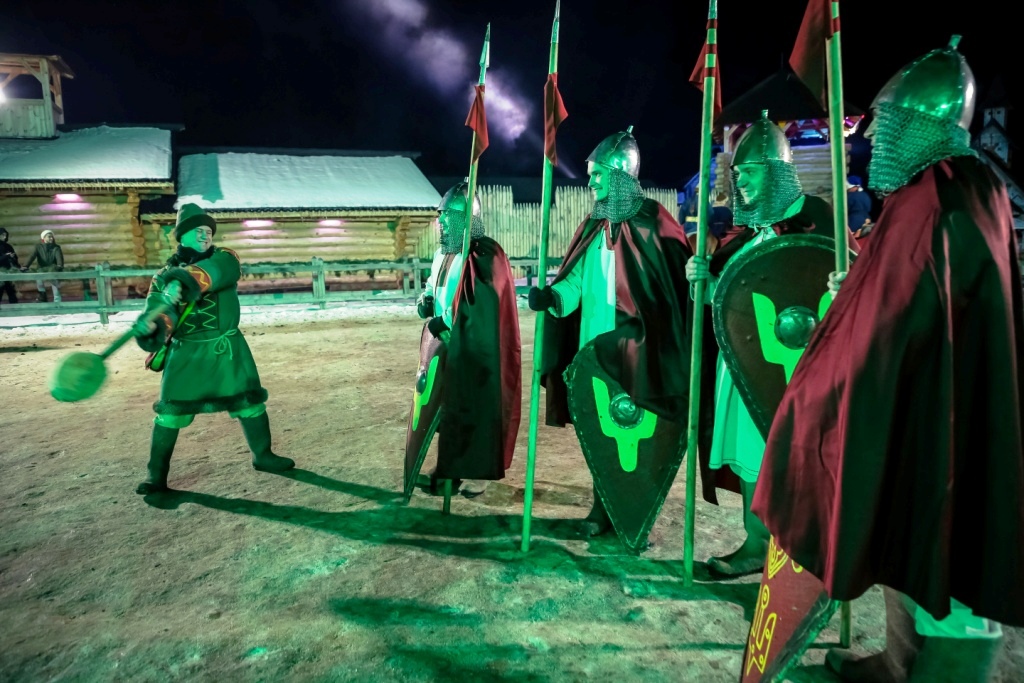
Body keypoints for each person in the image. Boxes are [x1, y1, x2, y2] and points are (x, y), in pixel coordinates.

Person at [752, 38, 1023, 682]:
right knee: (908, 530)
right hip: (928, 396)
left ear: (922, 124)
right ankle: (899, 662)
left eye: (888, 124)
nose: (872, 137)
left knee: (943, 550)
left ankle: (942, 671)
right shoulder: (949, 189)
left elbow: (893, 324)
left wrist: (821, 386)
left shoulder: (939, 199)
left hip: (941, 411)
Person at [685, 109, 855, 578]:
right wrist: (702, 282)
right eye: (736, 173)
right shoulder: (743, 238)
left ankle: (802, 561)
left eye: (750, 171)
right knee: (751, 455)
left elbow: (857, 292)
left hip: (801, 377)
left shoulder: (821, 222)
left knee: (798, 460)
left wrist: (848, 287)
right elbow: (723, 305)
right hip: (744, 371)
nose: (739, 181)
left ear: (777, 171)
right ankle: (757, 544)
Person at [528, 127, 692, 538]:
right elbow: (575, 284)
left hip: (640, 354)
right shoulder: (593, 225)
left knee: (638, 433)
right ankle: (602, 510)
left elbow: (673, 293)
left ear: (620, 174)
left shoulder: (654, 222)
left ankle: (634, 513)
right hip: (594, 353)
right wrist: (552, 297)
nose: (591, 182)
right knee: (602, 432)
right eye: (591, 175)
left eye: (598, 175)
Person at [134, 203, 294, 494]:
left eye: (208, 231)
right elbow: (162, 314)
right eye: (197, 230)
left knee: (250, 404)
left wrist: (183, 280)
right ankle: (155, 475)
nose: (205, 236)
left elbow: (220, 271)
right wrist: (152, 325)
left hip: (226, 350)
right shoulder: (162, 278)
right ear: (181, 235)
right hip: (186, 354)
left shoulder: (225, 258)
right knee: (170, 414)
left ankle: (263, 456)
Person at [411, 180, 521, 496]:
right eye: (440, 215)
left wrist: (445, 321)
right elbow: (432, 286)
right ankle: (449, 471)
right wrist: (425, 301)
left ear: (464, 217)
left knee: (476, 411)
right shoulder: (443, 253)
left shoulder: (486, 254)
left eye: (447, 215)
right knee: (448, 412)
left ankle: (477, 476)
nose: (441, 221)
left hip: (476, 349)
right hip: (447, 347)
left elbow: (478, 305)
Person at [23, 229, 63, 302]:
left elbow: (59, 258)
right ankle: (42, 297)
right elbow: (32, 256)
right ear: (43, 238)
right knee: (39, 280)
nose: (51, 238)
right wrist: (25, 266)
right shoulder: (38, 247)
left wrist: (59, 265)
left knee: (55, 282)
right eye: (49, 237)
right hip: (41, 269)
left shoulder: (56, 247)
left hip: (53, 269)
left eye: (52, 237)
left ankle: (57, 301)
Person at [0, 227, 19, 305]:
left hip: (9, 271)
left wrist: (13, 258)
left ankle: (15, 308)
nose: (4, 237)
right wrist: (6, 256)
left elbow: (15, 258)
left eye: (5, 235)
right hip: (1, 273)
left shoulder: (8, 246)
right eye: (2, 235)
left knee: (11, 291)